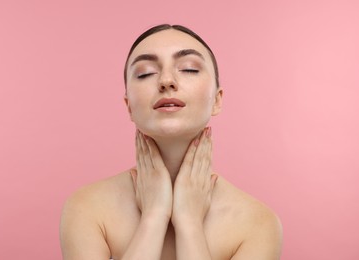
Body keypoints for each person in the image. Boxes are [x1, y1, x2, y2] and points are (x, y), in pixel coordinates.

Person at [60, 24, 282, 260]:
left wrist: (189, 222)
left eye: (189, 69)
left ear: (217, 100)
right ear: (129, 107)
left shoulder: (258, 223)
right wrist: (154, 216)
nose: (166, 81)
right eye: (145, 73)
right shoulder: (86, 208)